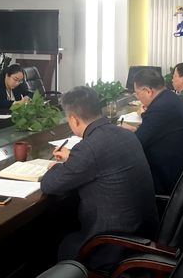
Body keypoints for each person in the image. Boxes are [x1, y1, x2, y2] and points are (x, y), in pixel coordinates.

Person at [41, 86, 159, 269]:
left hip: (112, 247)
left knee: (55, 241)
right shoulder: (125, 134)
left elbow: (49, 185)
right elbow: (101, 160)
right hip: (144, 234)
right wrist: (72, 159)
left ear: (73, 119)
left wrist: (56, 167)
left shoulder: (89, 147)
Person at [121, 68, 183, 195]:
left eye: (137, 93)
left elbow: (136, 145)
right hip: (182, 171)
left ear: (148, 91)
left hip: (168, 179)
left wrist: (119, 135)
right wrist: (134, 130)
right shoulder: (169, 97)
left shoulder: (160, 108)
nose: (138, 98)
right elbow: (155, 133)